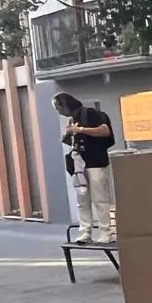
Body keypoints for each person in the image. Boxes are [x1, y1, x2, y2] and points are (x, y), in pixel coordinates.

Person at [54, 92, 116, 244]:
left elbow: (105, 130)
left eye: (58, 107)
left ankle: (105, 232)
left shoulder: (90, 114)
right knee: (82, 199)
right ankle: (85, 231)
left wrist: (80, 130)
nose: (58, 111)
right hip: (80, 164)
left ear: (65, 105)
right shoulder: (74, 119)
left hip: (96, 162)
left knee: (100, 198)